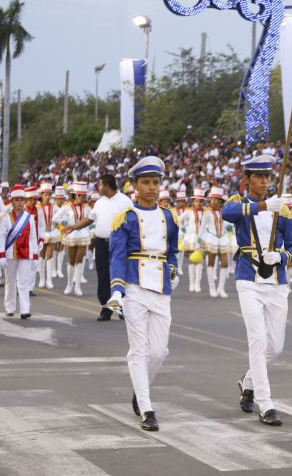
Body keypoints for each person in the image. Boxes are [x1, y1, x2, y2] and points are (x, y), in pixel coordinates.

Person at [221, 154, 292, 427]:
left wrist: (281, 258)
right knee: (257, 339)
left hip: (276, 281)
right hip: (248, 279)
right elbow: (227, 214)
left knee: (275, 347)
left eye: (267, 176)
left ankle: (248, 382)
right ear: (248, 180)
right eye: (258, 176)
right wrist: (263, 206)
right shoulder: (238, 202)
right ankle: (266, 404)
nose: (264, 180)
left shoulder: (283, 210)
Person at [105, 156, 179, 432]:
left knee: (159, 352)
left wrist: (173, 267)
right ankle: (147, 409)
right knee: (139, 349)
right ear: (135, 185)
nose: (151, 187)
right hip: (134, 285)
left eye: (155, 182)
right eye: (145, 182)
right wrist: (117, 290)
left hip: (161, 286)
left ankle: (140, 389)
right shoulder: (125, 217)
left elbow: (172, 249)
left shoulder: (169, 216)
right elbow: (117, 256)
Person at [61, 174, 133, 320]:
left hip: (118, 244)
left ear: (106, 186)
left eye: (100, 185)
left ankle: (121, 308)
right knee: (103, 276)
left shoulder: (125, 201)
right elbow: (90, 219)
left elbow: (133, 223)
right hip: (100, 243)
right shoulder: (99, 202)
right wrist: (73, 227)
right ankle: (106, 309)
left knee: (119, 276)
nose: (98, 187)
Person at [0, 185, 39, 319]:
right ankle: (10, 308)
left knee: (24, 281)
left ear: (25, 201)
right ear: (12, 201)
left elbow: (34, 238)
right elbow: (2, 237)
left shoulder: (29, 218)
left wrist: (35, 256)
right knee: (10, 281)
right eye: (16, 200)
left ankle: (24, 309)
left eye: (22, 200)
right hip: (10, 253)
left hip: (26, 254)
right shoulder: (6, 217)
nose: (19, 203)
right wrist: (1, 254)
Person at [54, 182, 91, 296]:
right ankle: (69, 284)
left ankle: (78, 286)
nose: (83, 198)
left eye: (84, 196)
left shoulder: (87, 208)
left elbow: (93, 219)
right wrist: (65, 226)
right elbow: (55, 219)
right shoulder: (67, 207)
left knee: (79, 260)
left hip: (83, 235)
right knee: (71, 261)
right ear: (76, 196)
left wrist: (89, 227)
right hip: (71, 235)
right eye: (81, 196)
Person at [200, 186, 233, 298]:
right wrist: (199, 240)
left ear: (220, 201)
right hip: (212, 238)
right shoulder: (207, 212)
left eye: (216, 199)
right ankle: (212, 287)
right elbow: (202, 227)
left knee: (225, 263)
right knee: (211, 263)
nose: (213, 201)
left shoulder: (224, 211)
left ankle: (221, 288)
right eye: (212, 199)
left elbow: (227, 223)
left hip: (223, 238)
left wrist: (230, 227)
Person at [180, 188, 205, 292]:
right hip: (191, 238)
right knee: (191, 260)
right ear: (193, 201)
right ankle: (191, 284)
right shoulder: (188, 211)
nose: (198, 203)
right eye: (196, 201)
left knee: (199, 261)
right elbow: (179, 219)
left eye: (200, 201)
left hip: (202, 238)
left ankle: (197, 284)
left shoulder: (206, 211)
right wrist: (184, 230)